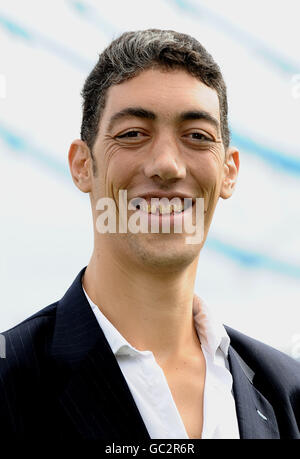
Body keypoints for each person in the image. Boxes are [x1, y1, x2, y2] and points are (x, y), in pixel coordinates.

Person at [0, 29, 299, 440]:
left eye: (197, 136)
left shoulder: (287, 391)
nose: (167, 165)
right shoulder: (10, 379)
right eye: (133, 134)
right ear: (82, 165)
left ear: (229, 172)